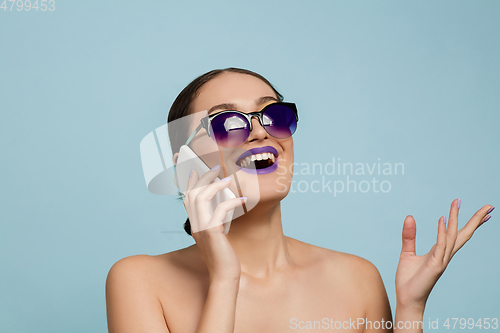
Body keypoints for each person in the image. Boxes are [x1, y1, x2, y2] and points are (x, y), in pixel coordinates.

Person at [105, 67, 495, 333]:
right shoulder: (139, 281)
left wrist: (410, 311)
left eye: (271, 115)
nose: (259, 133)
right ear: (185, 166)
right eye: (228, 123)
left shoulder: (358, 279)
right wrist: (225, 278)